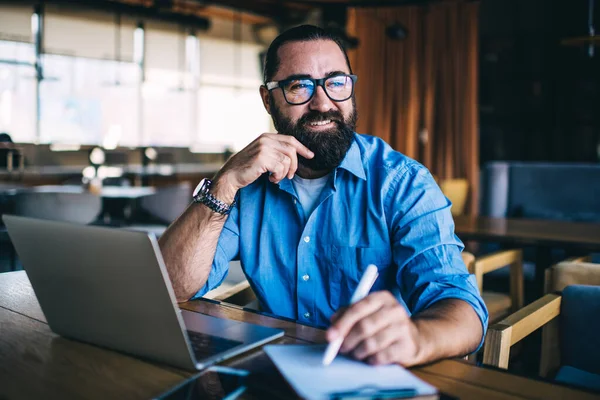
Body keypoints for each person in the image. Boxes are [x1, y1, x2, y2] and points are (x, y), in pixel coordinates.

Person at [159, 25, 488, 367]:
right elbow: (170, 287)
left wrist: (417, 339)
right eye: (299, 85)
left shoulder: (403, 183)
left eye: (336, 81)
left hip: (372, 373)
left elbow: (463, 309)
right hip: (273, 370)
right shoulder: (245, 186)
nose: (322, 102)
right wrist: (224, 183)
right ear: (268, 99)